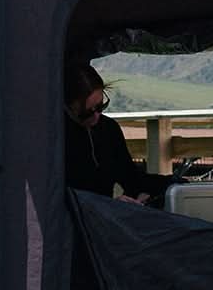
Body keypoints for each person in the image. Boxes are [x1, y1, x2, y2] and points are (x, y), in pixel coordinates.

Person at [62, 59, 171, 203]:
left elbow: (131, 178)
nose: (96, 117)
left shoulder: (108, 128)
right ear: (68, 107)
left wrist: (172, 183)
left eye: (101, 106)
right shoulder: (56, 137)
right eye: (86, 113)